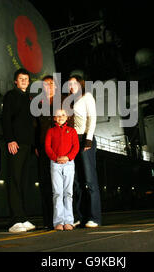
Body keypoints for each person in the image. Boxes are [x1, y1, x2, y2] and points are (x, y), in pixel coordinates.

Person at [2, 68, 37, 233]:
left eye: (26, 78)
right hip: (16, 143)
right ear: (15, 81)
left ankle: (23, 217)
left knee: (24, 182)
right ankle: (15, 220)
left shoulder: (29, 99)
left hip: (27, 145)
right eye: (21, 78)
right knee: (14, 180)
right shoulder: (11, 95)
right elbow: (6, 118)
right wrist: (10, 139)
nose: (24, 80)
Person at [68, 75, 102, 228]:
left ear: (81, 84)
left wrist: (88, 139)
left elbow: (92, 118)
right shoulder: (70, 100)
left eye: (74, 83)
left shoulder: (87, 96)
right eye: (69, 84)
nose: (71, 85)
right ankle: (80, 217)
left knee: (90, 181)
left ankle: (94, 218)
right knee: (77, 182)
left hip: (85, 140)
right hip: (73, 141)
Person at [44, 108, 80, 231]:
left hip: (69, 164)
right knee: (57, 193)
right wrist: (56, 158)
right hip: (55, 164)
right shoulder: (51, 131)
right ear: (54, 118)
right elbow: (47, 147)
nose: (60, 117)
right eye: (58, 115)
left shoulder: (72, 131)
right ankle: (58, 222)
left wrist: (68, 157)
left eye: (63, 115)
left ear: (67, 117)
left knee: (68, 193)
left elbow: (76, 147)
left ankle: (69, 221)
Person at [35, 75, 57, 229]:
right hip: (43, 147)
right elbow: (35, 126)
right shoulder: (38, 104)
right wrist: (36, 145)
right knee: (45, 184)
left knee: (61, 184)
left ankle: (64, 218)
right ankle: (48, 220)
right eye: (45, 84)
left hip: (59, 147)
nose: (48, 86)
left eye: (51, 83)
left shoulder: (62, 102)